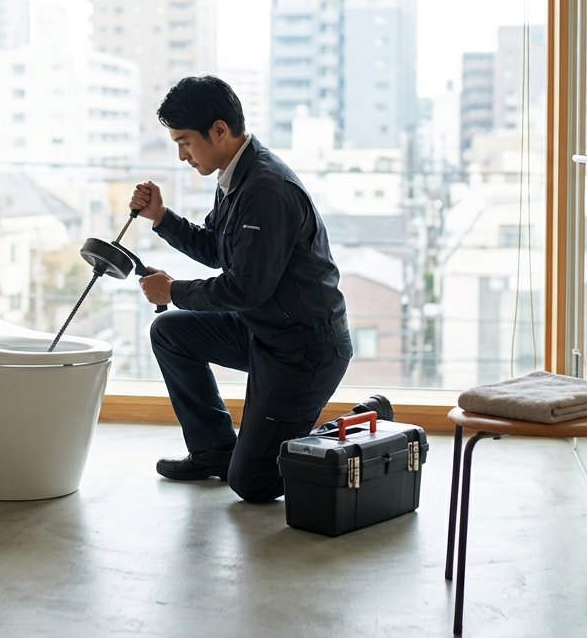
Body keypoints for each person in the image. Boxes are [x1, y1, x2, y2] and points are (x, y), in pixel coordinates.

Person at [131, 75, 392, 503]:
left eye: (185, 142)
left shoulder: (266, 189)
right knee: (170, 332)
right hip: (263, 330)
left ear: (218, 130)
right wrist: (161, 217)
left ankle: (359, 420)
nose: (181, 156)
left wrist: (173, 291)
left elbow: (245, 288)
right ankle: (215, 449)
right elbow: (218, 250)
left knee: (253, 483)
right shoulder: (236, 174)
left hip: (303, 350)